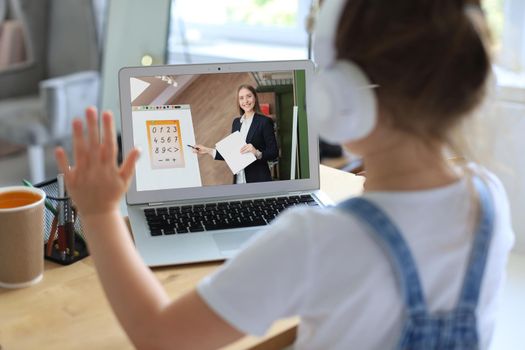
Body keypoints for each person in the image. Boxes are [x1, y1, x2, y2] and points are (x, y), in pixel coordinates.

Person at [54, 0, 514, 349]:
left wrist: (98, 213)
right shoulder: (489, 199)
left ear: (341, 95)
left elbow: (161, 337)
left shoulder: (318, 239)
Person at [193, 84, 278, 183]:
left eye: (249, 96)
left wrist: (257, 153)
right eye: (241, 98)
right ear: (238, 101)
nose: (245, 101)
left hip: (258, 180)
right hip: (239, 180)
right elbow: (232, 153)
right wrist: (207, 150)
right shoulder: (236, 122)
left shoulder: (265, 122)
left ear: (255, 97)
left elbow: (274, 152)